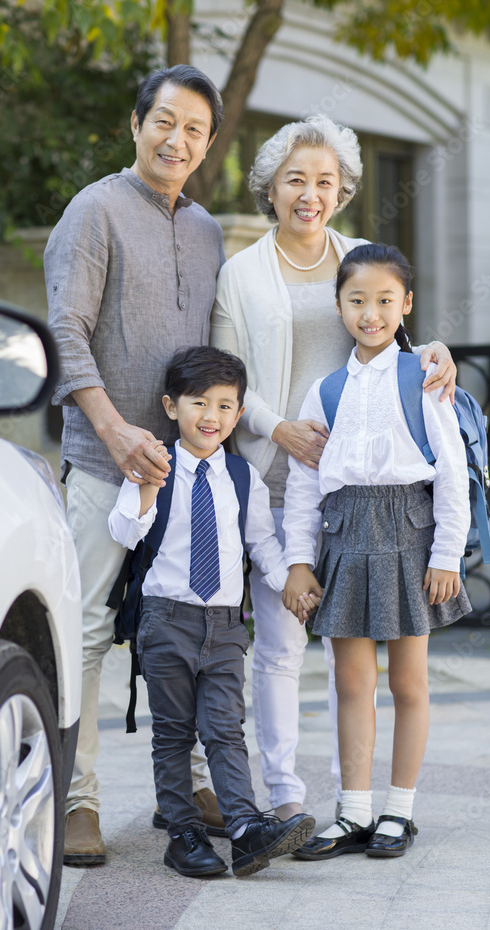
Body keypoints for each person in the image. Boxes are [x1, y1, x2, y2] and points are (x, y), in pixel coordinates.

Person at [210, 114, 457, 823]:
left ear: (342, 189)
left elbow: (401, 333)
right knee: (283, 641)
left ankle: (358, 799)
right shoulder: (242, 272)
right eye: (295, 179)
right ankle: (287, 795)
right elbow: (230, 372)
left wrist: (435, 346)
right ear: (270, 188)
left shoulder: (361, 257)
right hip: (280, 471)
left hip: (362, 483)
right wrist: (278, 427)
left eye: (323, 180)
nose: (309, 193)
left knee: (348, 659)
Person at [44, 65, 228, 865]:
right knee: (84, 631)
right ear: (135, 124)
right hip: (102, 462)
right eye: (163, 120)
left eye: (192, 128)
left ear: (208, 144)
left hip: (185, 471)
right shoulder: (94, 211)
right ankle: (77, 802)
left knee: (186, 630)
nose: (175, 138)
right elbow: (63, 333)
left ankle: (185, 783)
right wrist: (115, 431)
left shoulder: (208, 231)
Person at [284, 243, 471, 859]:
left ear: (406, 304)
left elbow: (450, 470)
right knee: (350, 681)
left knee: (409, 682)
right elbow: (305, 483)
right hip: (343, 536)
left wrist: (447, 553)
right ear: (339, 306)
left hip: (410, 536)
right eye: (357, 300)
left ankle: (399, 810)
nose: (371, 313)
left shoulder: (423, 376)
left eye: (385, 300)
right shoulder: (326, 390)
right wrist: (298, 560)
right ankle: (353, 811)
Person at [108, 346, 315, 877]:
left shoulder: (241, 477)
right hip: (166, 618)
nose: (212, 416)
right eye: (199, 403)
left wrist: (290, 579)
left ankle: (245, 830)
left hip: (225, 626)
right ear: (171, 406)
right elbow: (124, 533)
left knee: (225, 728)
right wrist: (146, 492)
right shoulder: (153, 465)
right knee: (174, 731)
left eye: (225, 406)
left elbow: (261, 545)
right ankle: (185, 833)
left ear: (239, 414)